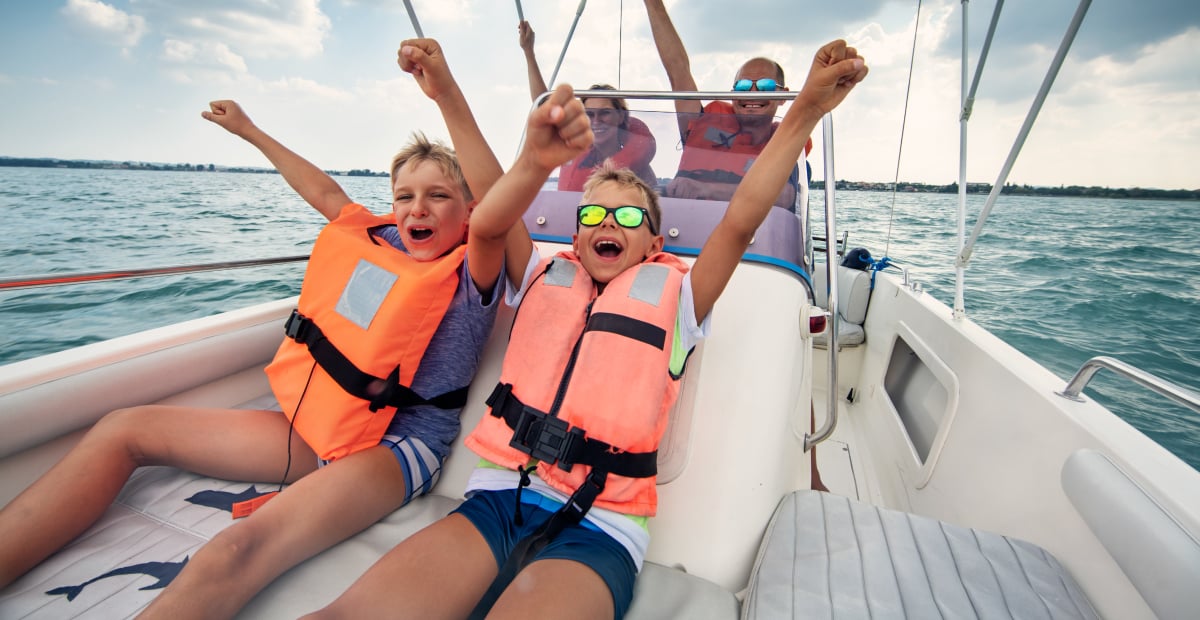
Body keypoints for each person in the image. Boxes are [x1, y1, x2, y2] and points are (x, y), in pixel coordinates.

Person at [305, 38, 867, 620]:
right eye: (593, 213)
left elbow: (740, 219)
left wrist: (803, 110)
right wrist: (446, 93)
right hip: (498, 501)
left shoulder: (680, 299)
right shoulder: (543, 274)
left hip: (602, 527)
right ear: (575, 238)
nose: (608, 222)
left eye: (629, 215)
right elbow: (496, 195)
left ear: (654, 242)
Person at [0, 38, 530, 620]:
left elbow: (498, 211)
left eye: (439, 196)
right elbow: (324, 192)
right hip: (325, 427)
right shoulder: (383, 243)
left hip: (397, 447)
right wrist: (249, 130)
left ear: (469, 208)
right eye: (404, 196)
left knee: (231, 551)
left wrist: (445, 92)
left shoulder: (475, 266)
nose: (417, 210)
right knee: (123, 429)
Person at [642, 0, 812, 211]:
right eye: (742, 86)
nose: (752, 94)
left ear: (783, 96)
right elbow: (677, 69)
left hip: (754, 240)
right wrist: (653, 3)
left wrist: (705, 189)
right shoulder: (703, 122)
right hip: (680, 231)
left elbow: (784, 196)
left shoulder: (787, 142)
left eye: (765, 86)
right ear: (732, 95)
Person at [518, 20, 658, 191]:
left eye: (605, 113)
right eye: (589, 114)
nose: (596, 120)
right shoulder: (574, 147)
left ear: (620, 116)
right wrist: (528, 52)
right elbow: (542, 105)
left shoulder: (640, 170)